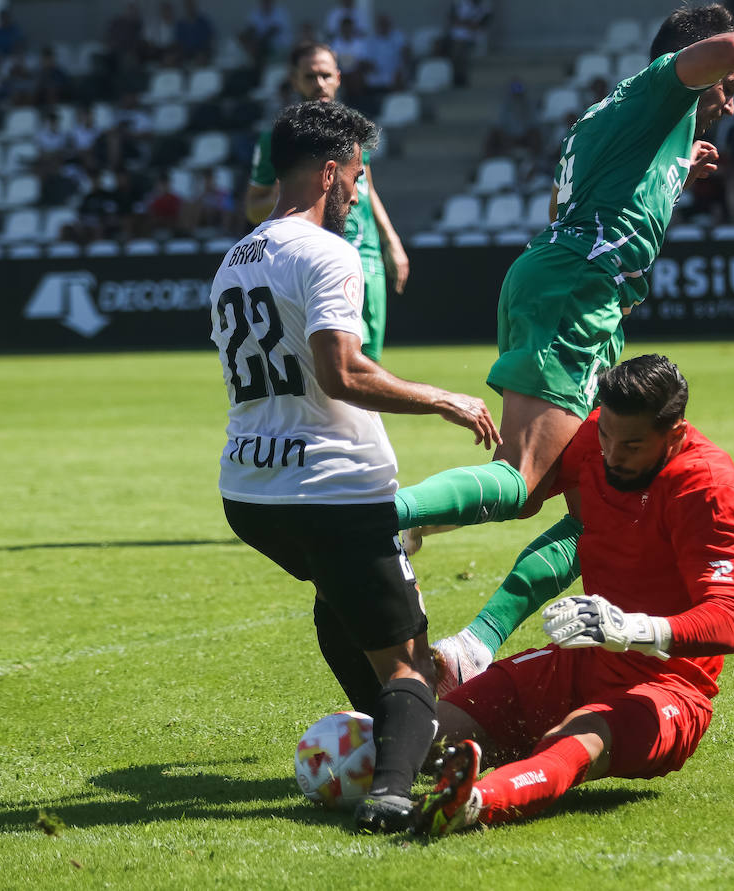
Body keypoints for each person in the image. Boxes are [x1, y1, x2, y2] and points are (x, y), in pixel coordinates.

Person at [392, 5, 734, 693]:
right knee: (520, 481)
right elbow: (730, 46)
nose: (728, 101)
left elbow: (577, 207)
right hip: (576, 290)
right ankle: (377, 515)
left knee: (595, 506)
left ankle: (471, 646)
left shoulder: (629, 125)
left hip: (576, 291)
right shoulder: (659, 87)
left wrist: (674, 171)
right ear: (689, 66)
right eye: (726, 86)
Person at [209, 100, 500, 833]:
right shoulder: (329, 253)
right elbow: (339, 373)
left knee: (340, 598)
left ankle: (400, 740)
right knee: (407, 659)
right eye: (358, 179)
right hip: (328, 485)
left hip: (249, 488)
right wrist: (443, 397)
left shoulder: (234, 258)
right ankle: (395, 791)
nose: (359, 195)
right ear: (330, 171)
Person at [411, 355, 734, 836]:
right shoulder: (597, 439)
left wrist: (631, 629)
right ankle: (351, 755)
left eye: (632, 445)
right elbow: (522, 489)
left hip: (667, 689)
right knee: (427, 732)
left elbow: (729, 620)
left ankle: (472, 802)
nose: (612, 454)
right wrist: (424, 520)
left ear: (674, 435)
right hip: (579, 661)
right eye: (606, 436)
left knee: (572, 740)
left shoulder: (707, 488)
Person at [247, 43, 409, 363]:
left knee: (369, 364)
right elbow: (252, 209)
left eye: (325, 75)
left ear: (338, 77)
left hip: (365, 256)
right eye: (310, 76)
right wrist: (289, 184)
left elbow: (368, 188)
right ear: (294, 81)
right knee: (329, 365)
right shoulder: (276, 141)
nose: (319, 83)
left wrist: (392, 241)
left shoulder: (354, 132)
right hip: (312, 259)